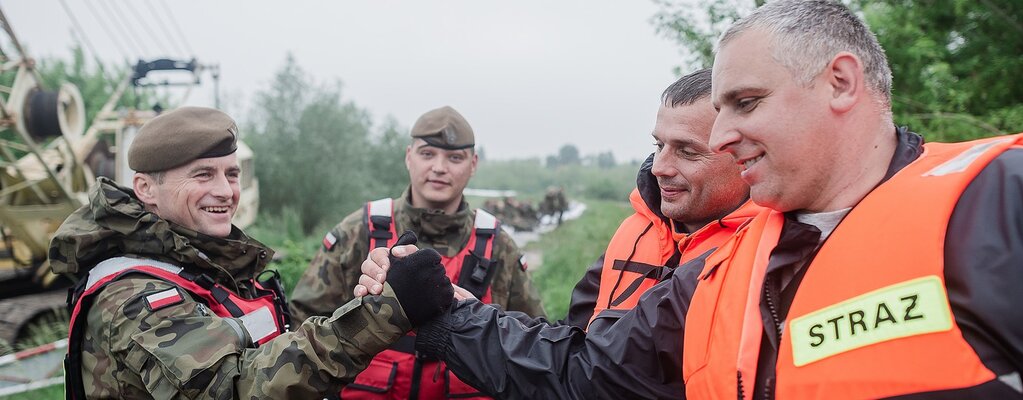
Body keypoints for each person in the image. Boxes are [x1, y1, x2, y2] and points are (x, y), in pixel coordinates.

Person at [685, 1, 1023, 398]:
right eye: (719, 111)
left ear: (841, 82)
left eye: (745, 102)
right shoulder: (716, 267)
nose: (718, 138)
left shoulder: (1001, 199)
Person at [357, 69, 760, 398]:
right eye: (658, 145)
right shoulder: (637, 229)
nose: (659, 167)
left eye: (687, 151)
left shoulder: (753, 258)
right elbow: (568, 340)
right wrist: (460, 306)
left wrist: (447, 318)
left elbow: (591, 377)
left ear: (742, 152)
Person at [53, 107, 454, 399]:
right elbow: (236, 386)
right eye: (202, 175)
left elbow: (279, 342)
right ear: (145, 188)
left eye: (231, 174)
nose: (226, 192)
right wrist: (378, 315)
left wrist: (376, 289)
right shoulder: (134, 295)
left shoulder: (208, 266)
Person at [289, 105, 546, 399]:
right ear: (408, 156)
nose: (439, 167)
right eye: (427, 154)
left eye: (455, 158)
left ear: (473, 164)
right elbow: (304, 323)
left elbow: (530, 343)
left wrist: (480, 320)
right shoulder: (359, 230)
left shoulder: (499, 245)